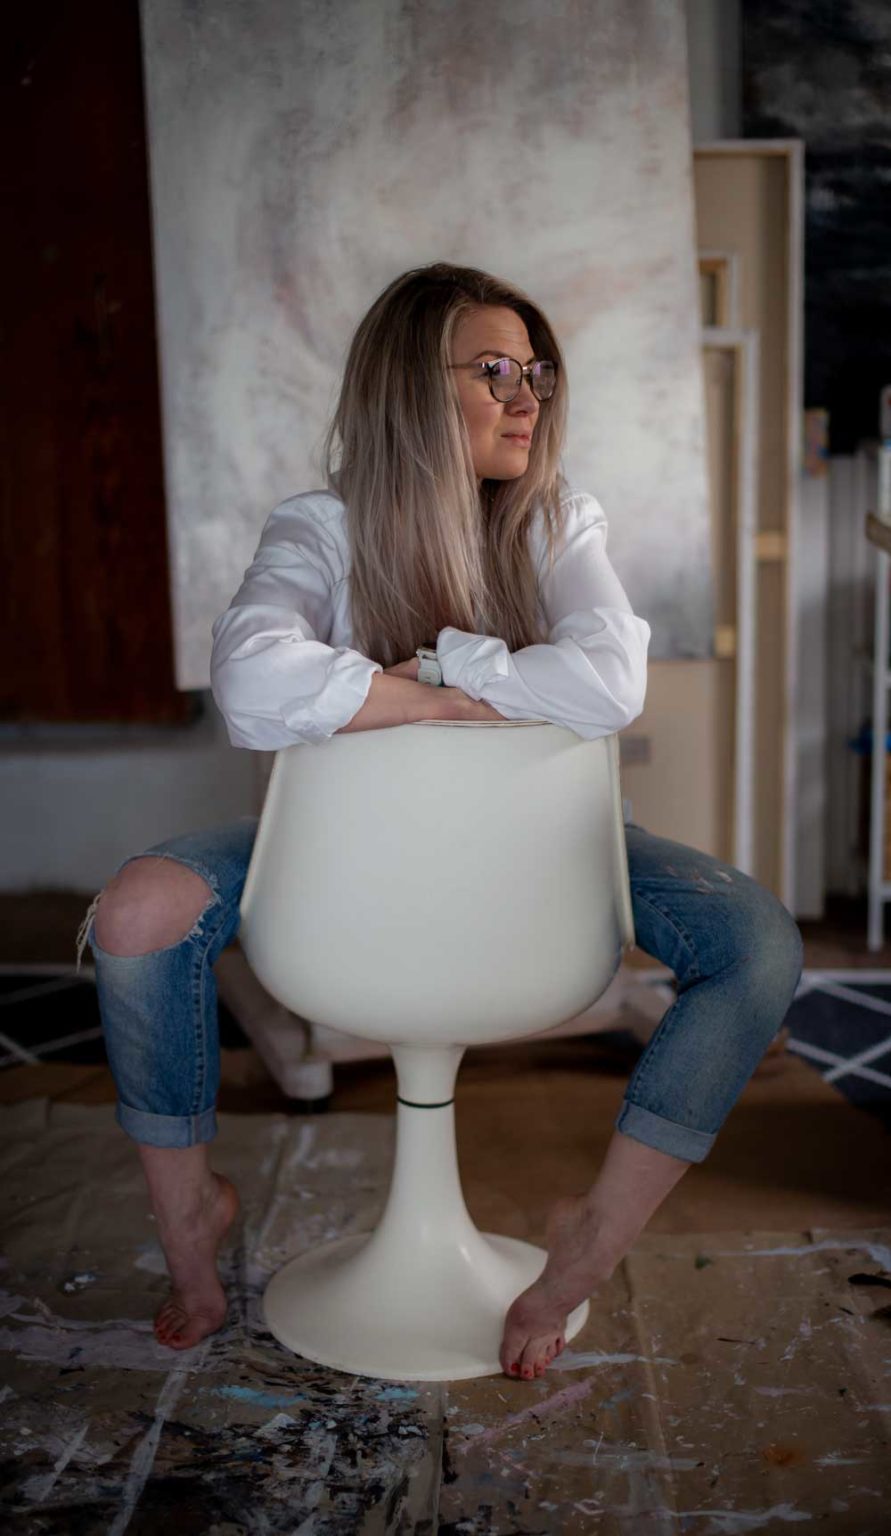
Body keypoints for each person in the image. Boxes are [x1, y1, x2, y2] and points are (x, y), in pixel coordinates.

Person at [77, 262, 803, 1381]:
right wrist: (471, 703)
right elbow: (253, 684)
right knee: (136, 915)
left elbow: (609, 682)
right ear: (412, 388)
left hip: (543, 845)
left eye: (536, 373)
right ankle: (189, 1216)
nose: (527, 399)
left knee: (756, 945)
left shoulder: (556, 520)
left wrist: (440, 669)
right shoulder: (320, 529)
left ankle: (589, 1238)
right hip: (343, 856)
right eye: (494, 372)